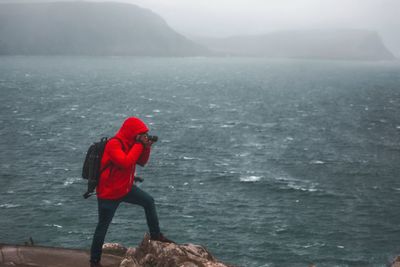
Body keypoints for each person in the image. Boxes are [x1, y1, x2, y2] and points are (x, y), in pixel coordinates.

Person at [90, 117, 173, 267]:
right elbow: (125, 162)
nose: (143, 136)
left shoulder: (132, 144)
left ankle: (156, 235)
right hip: (109, 194)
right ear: (132, 132)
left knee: (149, 201)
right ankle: (94, 262)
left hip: (125, 188)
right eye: (141, 134)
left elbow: (141, 162)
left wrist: (146, 147)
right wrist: (139, 145)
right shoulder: (114, 144)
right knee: (102, 226)